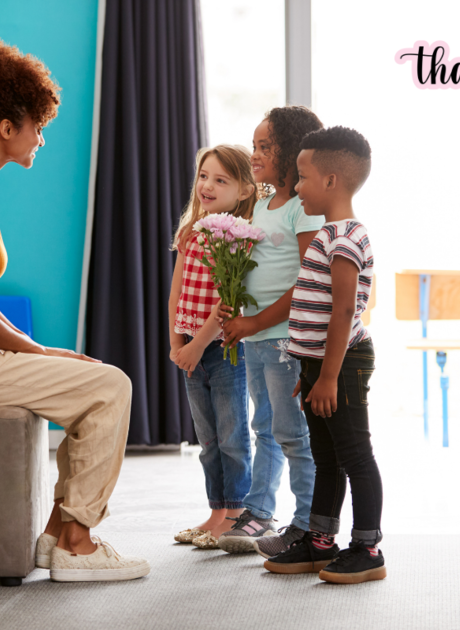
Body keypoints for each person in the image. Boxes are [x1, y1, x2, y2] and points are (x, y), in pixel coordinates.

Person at [0, 39, 149, 583]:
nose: (42, 137)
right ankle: (79, 544)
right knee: (112, 386)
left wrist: (49, 353)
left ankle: (56, 536)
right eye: (37, 126)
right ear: (7, 128)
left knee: (96, 379)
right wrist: (38, 351)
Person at [263, 125, 385, 584]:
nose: (296, 187)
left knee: (354, 453)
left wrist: (329, 376)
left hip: (343, 362)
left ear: (331, 181)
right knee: (325, 454)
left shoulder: (346, 239)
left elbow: (341, 313)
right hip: (321, 364)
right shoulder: (328, 234)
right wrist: (311, 372)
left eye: (303, 176)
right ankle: (319, 541)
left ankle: (367, 547)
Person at [217, 106, 325, 556]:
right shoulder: (261, 204)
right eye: (255, 145)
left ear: (293, 151)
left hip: (284, 337)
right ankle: (260, 512)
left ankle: (307, 522)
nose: (255, 154)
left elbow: (307, 278)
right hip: (257, 337)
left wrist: (256, 321)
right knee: (266, 426)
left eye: (266, 147)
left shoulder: (304, 207)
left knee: (293, 433)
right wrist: (235, 304)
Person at [168, 145, 257, 549]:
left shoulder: (236, 238)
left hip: (222, 351)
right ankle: (217, 511)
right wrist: (177, 344)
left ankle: (236, 514)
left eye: (221, 180)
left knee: (232, 435)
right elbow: (176, 294)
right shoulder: (192, 232)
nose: (207, 185)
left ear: (243, 191)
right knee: (207, 440)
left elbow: (229, 300)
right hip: (190, 350)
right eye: (204, 176)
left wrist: (198, 344)